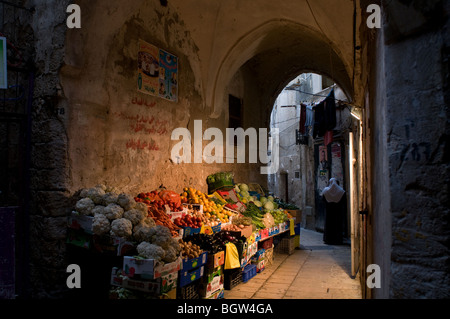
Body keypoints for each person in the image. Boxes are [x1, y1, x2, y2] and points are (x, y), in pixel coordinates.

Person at [321, 178, 346, 245]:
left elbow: (323, 200)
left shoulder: (326, 191)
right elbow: (344, 201)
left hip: (328, 212)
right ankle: (337, 240)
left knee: (329, 225)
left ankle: (328, 240)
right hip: (338, 212)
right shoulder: (341, 191)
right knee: (337, 225)